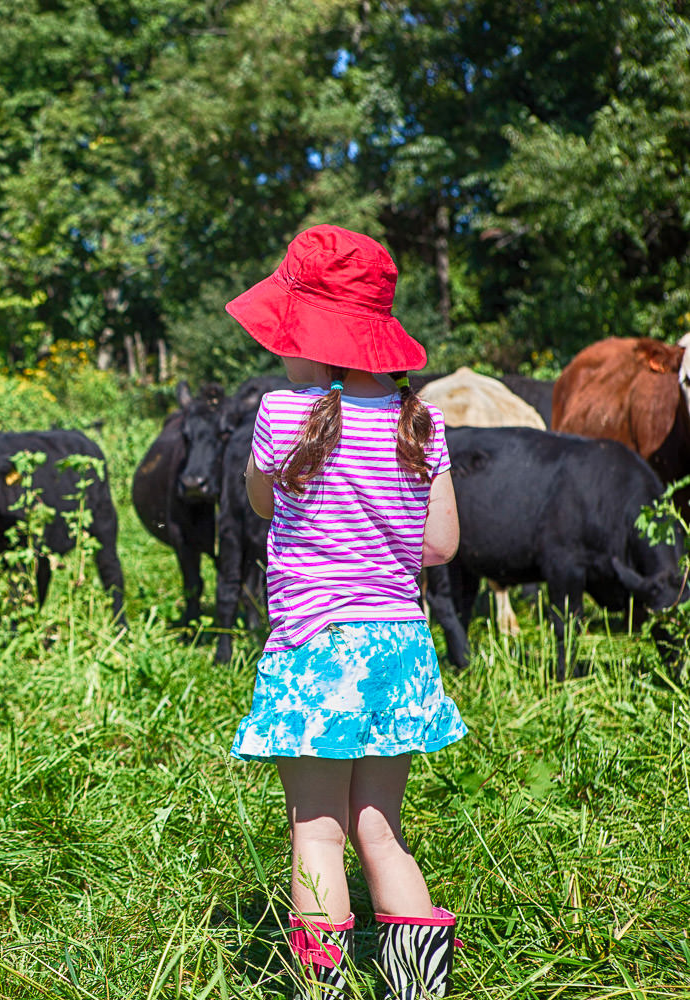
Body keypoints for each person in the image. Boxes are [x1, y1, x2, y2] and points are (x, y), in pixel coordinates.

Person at [224, 225, 466, 999]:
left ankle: (322, 992)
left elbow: (260, 501)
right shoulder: (421, 423)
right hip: (399, 650)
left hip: (315, 651)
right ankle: (418, 991)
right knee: (380, 831)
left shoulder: (278, 413)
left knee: (317, 831)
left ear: (312, 339)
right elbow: (441, 545)